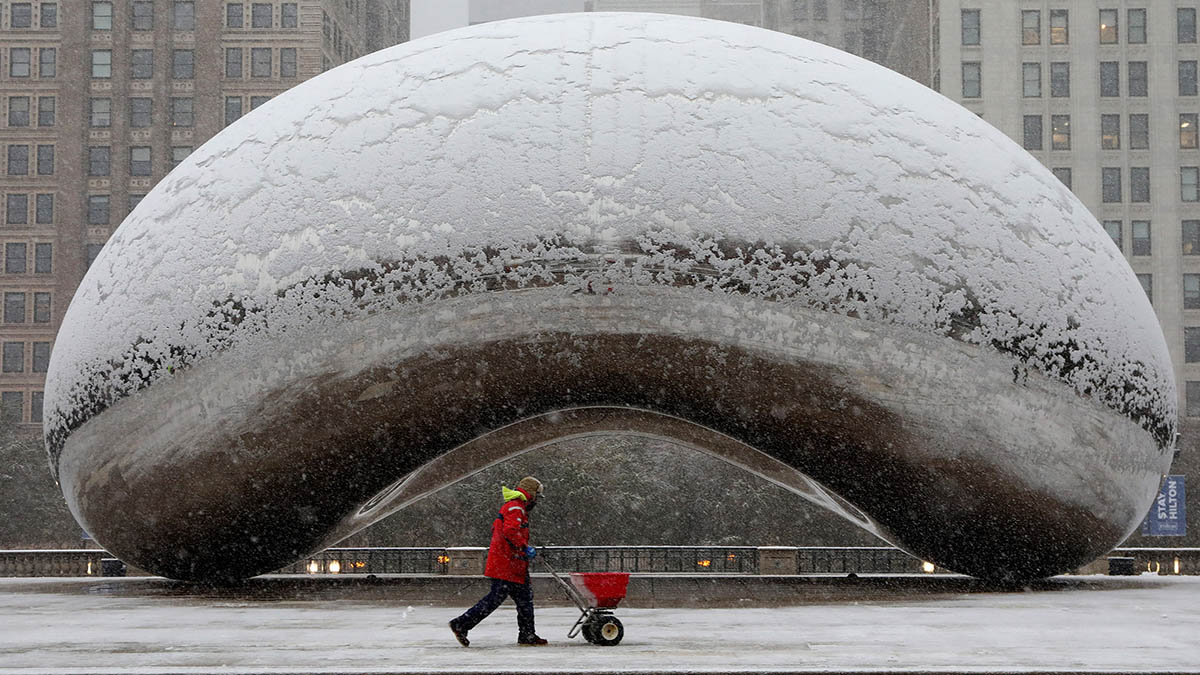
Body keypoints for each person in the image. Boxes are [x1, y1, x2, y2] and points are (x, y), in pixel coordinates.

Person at [449, 476, 548, 647]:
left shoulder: (517, 507)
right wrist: (525, 547)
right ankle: (461, 623)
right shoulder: (516, 507)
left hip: (513, 564)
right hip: (507, 564)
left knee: (525, 599)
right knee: (496, 598)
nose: (537, 501)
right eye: (537, 496)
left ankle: (527, 634)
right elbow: (510, 531)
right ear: (531, 493)